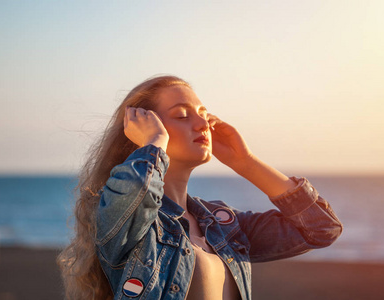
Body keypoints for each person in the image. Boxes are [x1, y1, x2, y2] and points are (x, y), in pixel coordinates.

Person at [57, 75, 342, 300]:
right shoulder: (126, 217)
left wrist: (246, 162)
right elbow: (137, 192)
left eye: (204, 114)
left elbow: (321, 229)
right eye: (182, 115)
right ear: (141, 130)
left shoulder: (223, 226)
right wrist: (154, 143)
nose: (202, 124)